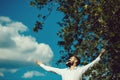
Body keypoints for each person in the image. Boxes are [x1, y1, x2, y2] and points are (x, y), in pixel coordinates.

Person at [36, 49, 106, 80]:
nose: (69, 59)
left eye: (71, 58)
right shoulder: (63, 71)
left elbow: (91, 64)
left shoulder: (80, 69)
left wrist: (100, 55)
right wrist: (41, 64)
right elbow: (50, 69)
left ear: (76, 61)